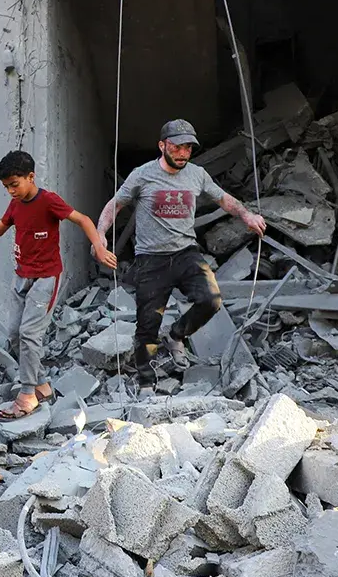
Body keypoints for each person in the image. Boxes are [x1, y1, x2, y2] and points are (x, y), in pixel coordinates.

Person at [95, 119, 266, 386]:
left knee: (211, 300)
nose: (183, 153)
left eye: (188, 148)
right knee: (147, 325)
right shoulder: (142, 174)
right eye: (177, 147)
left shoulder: (197, 174)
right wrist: (100, 235)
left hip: (186, 253)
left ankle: (176, 335)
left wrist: (247, 214)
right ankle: (146, 382)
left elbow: (223, 198)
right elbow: (115, 205)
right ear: (162, 145)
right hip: (151, 259)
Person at [0, 150, 117, 420]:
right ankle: (41, 385)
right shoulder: (16, 204)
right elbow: (0, 228)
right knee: (15, 334)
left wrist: (98, 247)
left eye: (14, 184)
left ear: (31, 177)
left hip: (46, 278)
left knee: (30, 333)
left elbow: (84, 220)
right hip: (23, 277)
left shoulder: (49, 201)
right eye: (6, 187)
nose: (10, 191)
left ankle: (27, 395)